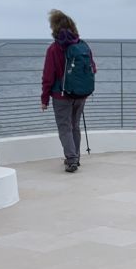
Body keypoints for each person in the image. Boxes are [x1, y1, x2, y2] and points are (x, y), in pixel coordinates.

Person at [41, 9, 96, 172]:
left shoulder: (54, 49)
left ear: (54, 28)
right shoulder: (83, 45)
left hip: (61, 95)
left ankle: (71, 159)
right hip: (81, 94)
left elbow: (48, 76)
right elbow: (93, 68)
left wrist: (44, 99)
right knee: (75, 126)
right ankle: (75, 157)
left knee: (64, 127)